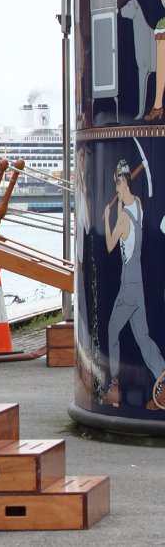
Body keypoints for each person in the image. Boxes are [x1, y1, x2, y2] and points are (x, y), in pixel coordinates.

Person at [102, 159, 165, 409]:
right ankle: (162, 376)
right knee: (144, 337)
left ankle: (114, 385)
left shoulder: (122, 220)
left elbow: (110, 245)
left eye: (117, 185)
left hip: (128, 284)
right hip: (137, 282)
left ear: (122, 184)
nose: (115, 191)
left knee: (112, 330)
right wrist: (117, 211)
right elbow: (126, 233)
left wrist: (107, 218)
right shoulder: (137, 205)